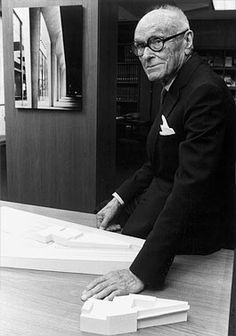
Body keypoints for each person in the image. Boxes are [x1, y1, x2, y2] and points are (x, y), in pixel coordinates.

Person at [81, 4, 236, 301]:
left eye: (157, 42)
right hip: (162, 207)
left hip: (197, 233)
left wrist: (142, 271)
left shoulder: (205, 92)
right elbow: (156, 163)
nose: (146, 54)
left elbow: (190, 187)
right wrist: (119, 201)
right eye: (140, 46)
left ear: (187, 40)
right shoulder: (174, 85)